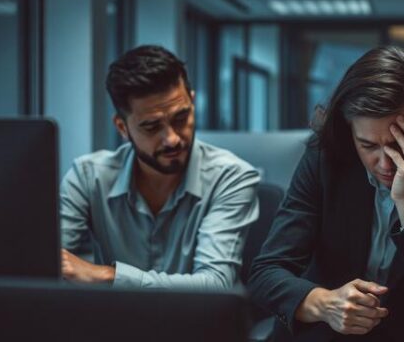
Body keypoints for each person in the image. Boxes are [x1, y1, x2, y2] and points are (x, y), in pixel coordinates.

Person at [246, 46, 404, 341]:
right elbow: (266, 273)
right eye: (368, 145)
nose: (385, 164)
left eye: (397, 145)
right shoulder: (325, 157)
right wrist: (324, 304)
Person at [60, 45, 260, 289]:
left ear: (193, 103)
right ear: (122, 128)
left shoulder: (232, 177)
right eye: (152, 127)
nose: (172, 138)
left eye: (181, 118)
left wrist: (107, 276)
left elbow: (215, 285)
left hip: (198, 324)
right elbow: (49, 265)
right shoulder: (87, 177)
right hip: (111, 323)